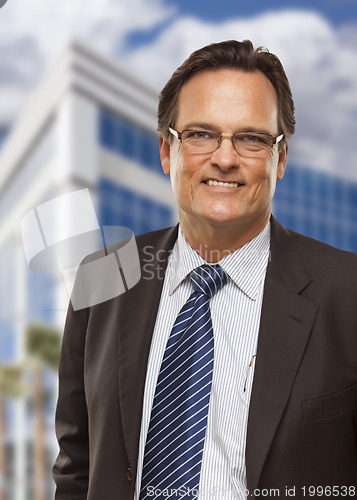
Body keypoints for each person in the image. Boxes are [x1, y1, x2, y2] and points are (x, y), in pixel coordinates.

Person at [52, 40, 357, 500]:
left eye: (252, 138)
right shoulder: (104, 276)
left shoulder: (347, 293)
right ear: (167, 152)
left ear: (281, 159)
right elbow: (76, 467)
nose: (225, 158)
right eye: (200, 134)